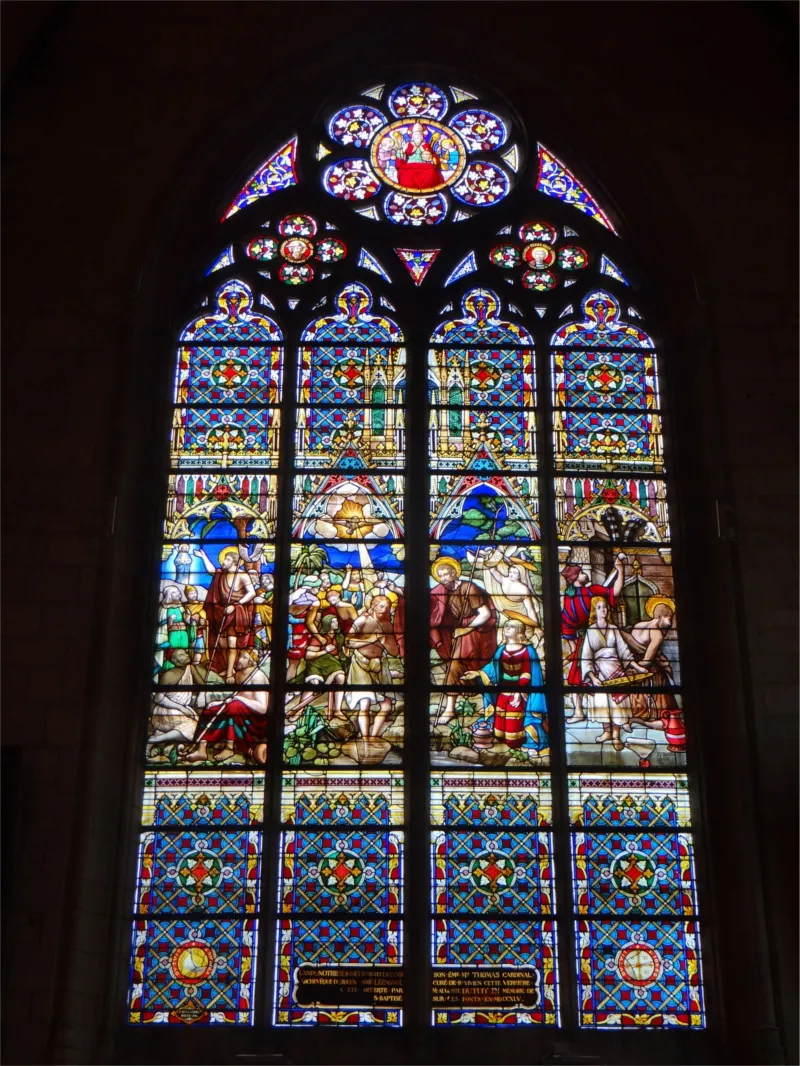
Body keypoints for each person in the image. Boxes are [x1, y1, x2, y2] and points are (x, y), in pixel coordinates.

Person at [430, 557, 497, 724]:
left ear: (454, 573)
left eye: (446, 574)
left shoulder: (469, 588)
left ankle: (451, 708)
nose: (444, 578)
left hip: (476, 632)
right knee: (456, 665)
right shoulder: (441, 591)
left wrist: (467, 629)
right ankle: (453, 707)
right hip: (458, 633)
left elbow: (485, 614)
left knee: (458, 664)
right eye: (440, 575)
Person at [464, 620, 548, 753]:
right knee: (500, 726)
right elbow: (493, 668)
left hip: (520, 693)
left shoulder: (528, 650)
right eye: (506, 626)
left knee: (513, 733)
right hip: (502, 692)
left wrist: (519, 691)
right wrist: (478, 673)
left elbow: (527, 672)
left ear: (519, 632)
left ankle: (523, 743)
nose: (507, 628)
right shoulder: (501, 650)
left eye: (512, 627)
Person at [561, 554, 626, 723]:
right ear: (575, 578)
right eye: (581, 572)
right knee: (577, 677)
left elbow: (566, 623)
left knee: (579, 676)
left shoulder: (574, 597)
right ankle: (579, 712)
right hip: (585, 639)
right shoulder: (588, 591)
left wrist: (620, 569)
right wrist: (620, 568)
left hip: (588, 638)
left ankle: (596, 713)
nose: (584, 574)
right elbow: (615, 591)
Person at [580, 597, 649, 749]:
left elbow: (624, 651)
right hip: (599, 673)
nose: (603, 610)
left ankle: (616, 736)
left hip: (616, 670)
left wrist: (638, 668)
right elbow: (586, 656)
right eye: (599, 607)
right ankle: (606, 732)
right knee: (603, 702)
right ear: (594, 611)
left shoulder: (613, 629)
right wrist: (592, 677)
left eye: (605, 607)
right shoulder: (590, 631)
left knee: (618, 704)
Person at [188, 649, 269, 764]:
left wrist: (238, 699)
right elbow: (236, 696)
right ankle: (202, 750)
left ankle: (229, 748)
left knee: (233, 707)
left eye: (244, 657)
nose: (239, 660)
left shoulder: (257, 676)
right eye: (239, 657)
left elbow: (262, 708)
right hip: (241, 710)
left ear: (251, 662)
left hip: (256, 721)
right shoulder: (240, 675)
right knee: (210, 709)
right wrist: (219, 703)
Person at [193, 546, 256, 683]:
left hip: (235, 614)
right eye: (224, 559)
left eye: (227, 559)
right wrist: (203, 556)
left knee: (231, 644)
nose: (223, 562)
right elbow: (211, 571)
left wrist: (235, 605)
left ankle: (229, 674)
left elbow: (252, 593)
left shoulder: (242, 575)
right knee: (221, 644)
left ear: (234, 562)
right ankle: (229, 667)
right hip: (221, 612)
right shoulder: (221, 574)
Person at [345, 595, 398, 738]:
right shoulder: (362, 620)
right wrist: (370, 639)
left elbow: (394, 652)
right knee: (365, 704)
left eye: (387, 607)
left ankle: (373, 737)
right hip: (360, 664)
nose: (384, 609)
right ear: (373, 606)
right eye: (381, 606)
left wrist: (384, 642)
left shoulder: (387, 625)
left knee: (387, 706)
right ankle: (365, 738)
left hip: (379, 665)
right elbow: (348, 642)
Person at [396, 122, 444, 191]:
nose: (418, 136)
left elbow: (434, 157)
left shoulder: (426, 145)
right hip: (409, 167)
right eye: (416, 134)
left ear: (423, 135)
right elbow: (400, 157)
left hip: (426, 167)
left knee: (432, 173)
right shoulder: (407, 145)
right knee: (406, 175)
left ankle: (428, 191)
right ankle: (409, 192)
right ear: (412, 135)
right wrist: (402, 151)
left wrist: (431, 158)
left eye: (420, 134)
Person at [156, 584, 190, 671]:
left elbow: (186, 621)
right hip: (173, 634)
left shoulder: (181, 607)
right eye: (174, 593)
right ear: (169, 595)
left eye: (178, 592)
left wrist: (188, 618)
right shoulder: (164, 608)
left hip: (183, 633)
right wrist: (170, 620)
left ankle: (185, 671)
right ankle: (169, 671)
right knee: (173, 652)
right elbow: (162, 626)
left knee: (184, 652)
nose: (178, 594)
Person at [183, 585, 208, 665]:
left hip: (202, 633)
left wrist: (203, 620)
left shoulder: (202, 605)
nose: (193, 595)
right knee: (193, 650)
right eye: (190, 594)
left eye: (194, 593)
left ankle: (196, 664)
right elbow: (186, 621)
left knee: (200, 649)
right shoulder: (186, 607)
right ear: (187, 596)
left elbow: (207, 617)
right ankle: (194, 664)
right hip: (192, 633)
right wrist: (190, 618)